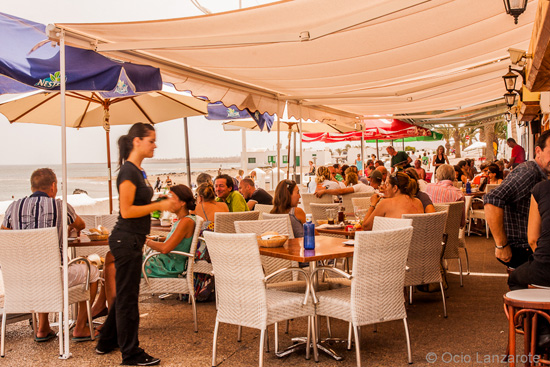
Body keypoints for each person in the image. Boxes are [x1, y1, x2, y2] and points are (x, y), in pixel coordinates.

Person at [96, 123, 176, 366]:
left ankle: (106, 341)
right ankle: (131, 354)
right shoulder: (128, 172)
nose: (155, 145)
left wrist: (158, 200)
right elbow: (127, 210)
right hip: (126, 239)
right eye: (151, 140)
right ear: (137, 142)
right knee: (129, 298)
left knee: (125, 294)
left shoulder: (137, 171)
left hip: (132, 238)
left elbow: (139, 205)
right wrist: (158, 206)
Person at [2, 168, 100, 342]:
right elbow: (81, 224)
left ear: (32, 187)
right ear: (53, 186)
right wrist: (69, 226)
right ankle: (80, 327)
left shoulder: (12, 208)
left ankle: (43, 327)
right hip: (54, 276)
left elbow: (6, 234)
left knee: (39, 265)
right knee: (92, 271)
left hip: (21, 278)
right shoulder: (60, 206)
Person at [484, 130, 550, 269]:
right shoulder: (529, 172)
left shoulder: (541, 174)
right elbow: (492, 199)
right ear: (538, 151)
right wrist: (501, 245)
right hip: (523, 249)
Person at [193, 182, 228, 300]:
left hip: (206, 251)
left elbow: (192, 230)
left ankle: (199, 287)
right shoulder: (224, 206)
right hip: (224, 248)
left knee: (190, 249)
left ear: (200, 197)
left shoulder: (197, 208)